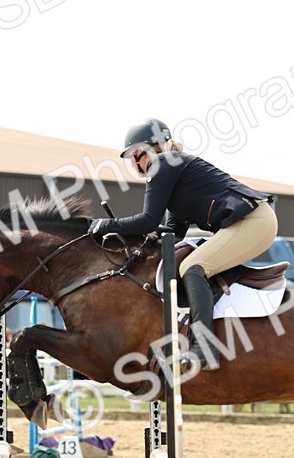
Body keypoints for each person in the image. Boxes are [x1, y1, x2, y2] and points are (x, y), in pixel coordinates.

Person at [88, 118, 278, 370]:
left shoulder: (163, 164)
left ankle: (205, 346)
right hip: (249, 221)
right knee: (186, 262)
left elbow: (147, 220)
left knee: (193, 266)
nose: (135, 163)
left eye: (135, 154)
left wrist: (106, 225)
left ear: (146, 150)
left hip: (253, 221)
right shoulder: (174, 174)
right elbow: (171, 233)